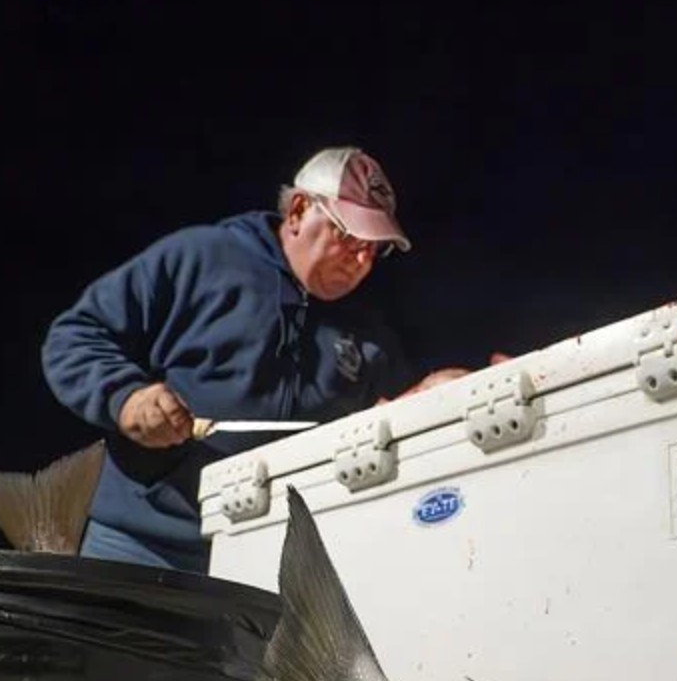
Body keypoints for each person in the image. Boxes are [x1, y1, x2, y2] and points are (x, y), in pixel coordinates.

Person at [43, 146, 465, 573]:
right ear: (299, 210)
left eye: (376, 250)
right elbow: (75, 337)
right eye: (350, 238)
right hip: (140, 544)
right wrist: (126, 397)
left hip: (270, 556)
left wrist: (429, 398)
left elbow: (384, 414)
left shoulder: (367, 330)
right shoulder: (202, 258)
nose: (361, 262)